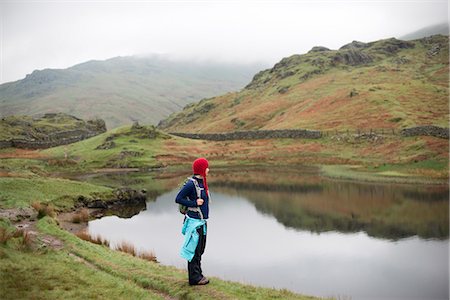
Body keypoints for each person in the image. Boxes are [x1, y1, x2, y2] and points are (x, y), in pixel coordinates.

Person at [175, 157, 210, 285]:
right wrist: (194, 202)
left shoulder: (202, 182)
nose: (208, 170)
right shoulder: (191, 184)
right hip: (194, 223)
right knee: (194, 250)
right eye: (206, 167)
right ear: (201, 169)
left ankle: (198, 274)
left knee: (199, 250)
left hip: (201, 222)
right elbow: (178, 198)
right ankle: (194, 278)